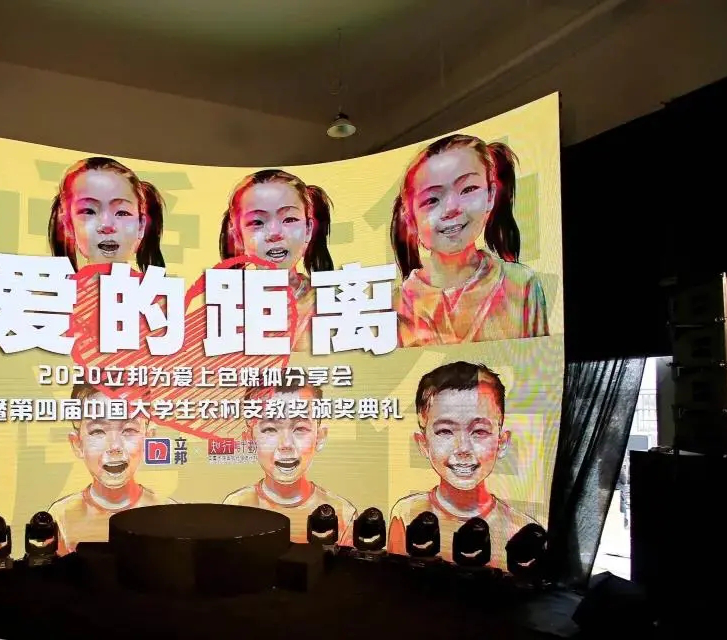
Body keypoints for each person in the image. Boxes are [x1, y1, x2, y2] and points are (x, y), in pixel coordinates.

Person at [390, 134, 548, 347]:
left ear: (490, 195)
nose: (451, 208)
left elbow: (538, 362)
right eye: (432, 200)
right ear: (410, 218)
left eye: (468, 189)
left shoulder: (522, 284)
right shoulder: (395, 305)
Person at [388, 361, 537, 568]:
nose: (463, 448)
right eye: (445, 431)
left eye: (480, 431)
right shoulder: (406, 514)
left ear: (502, 442)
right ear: (423, 444)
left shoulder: (521, 530)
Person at [48, 382, 175, 554]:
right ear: (77, 444)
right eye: (97, 432)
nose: (114, 446)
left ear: (148, 439)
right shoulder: (62, 516)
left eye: (129, 429)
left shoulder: (169, 514)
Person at [222, 382, 357, 544]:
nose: (286, 444)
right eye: (270, 429)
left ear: (320, 437)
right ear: (249, 440)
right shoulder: (236, 507)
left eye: (300, 428)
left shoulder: (342, 514)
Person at [218, 169, 335, 352]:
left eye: (289, 219)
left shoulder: (330, 304)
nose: (274, 233)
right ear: (238, 236)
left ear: (308, 229)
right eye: (257, 222)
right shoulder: (222, 309)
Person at [48, 156, 166, 273]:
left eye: (122, 213)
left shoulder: (158, 286)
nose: (106, 225)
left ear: (141, 225)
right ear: (69, 225)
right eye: (89, 211)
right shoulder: (58, 285)